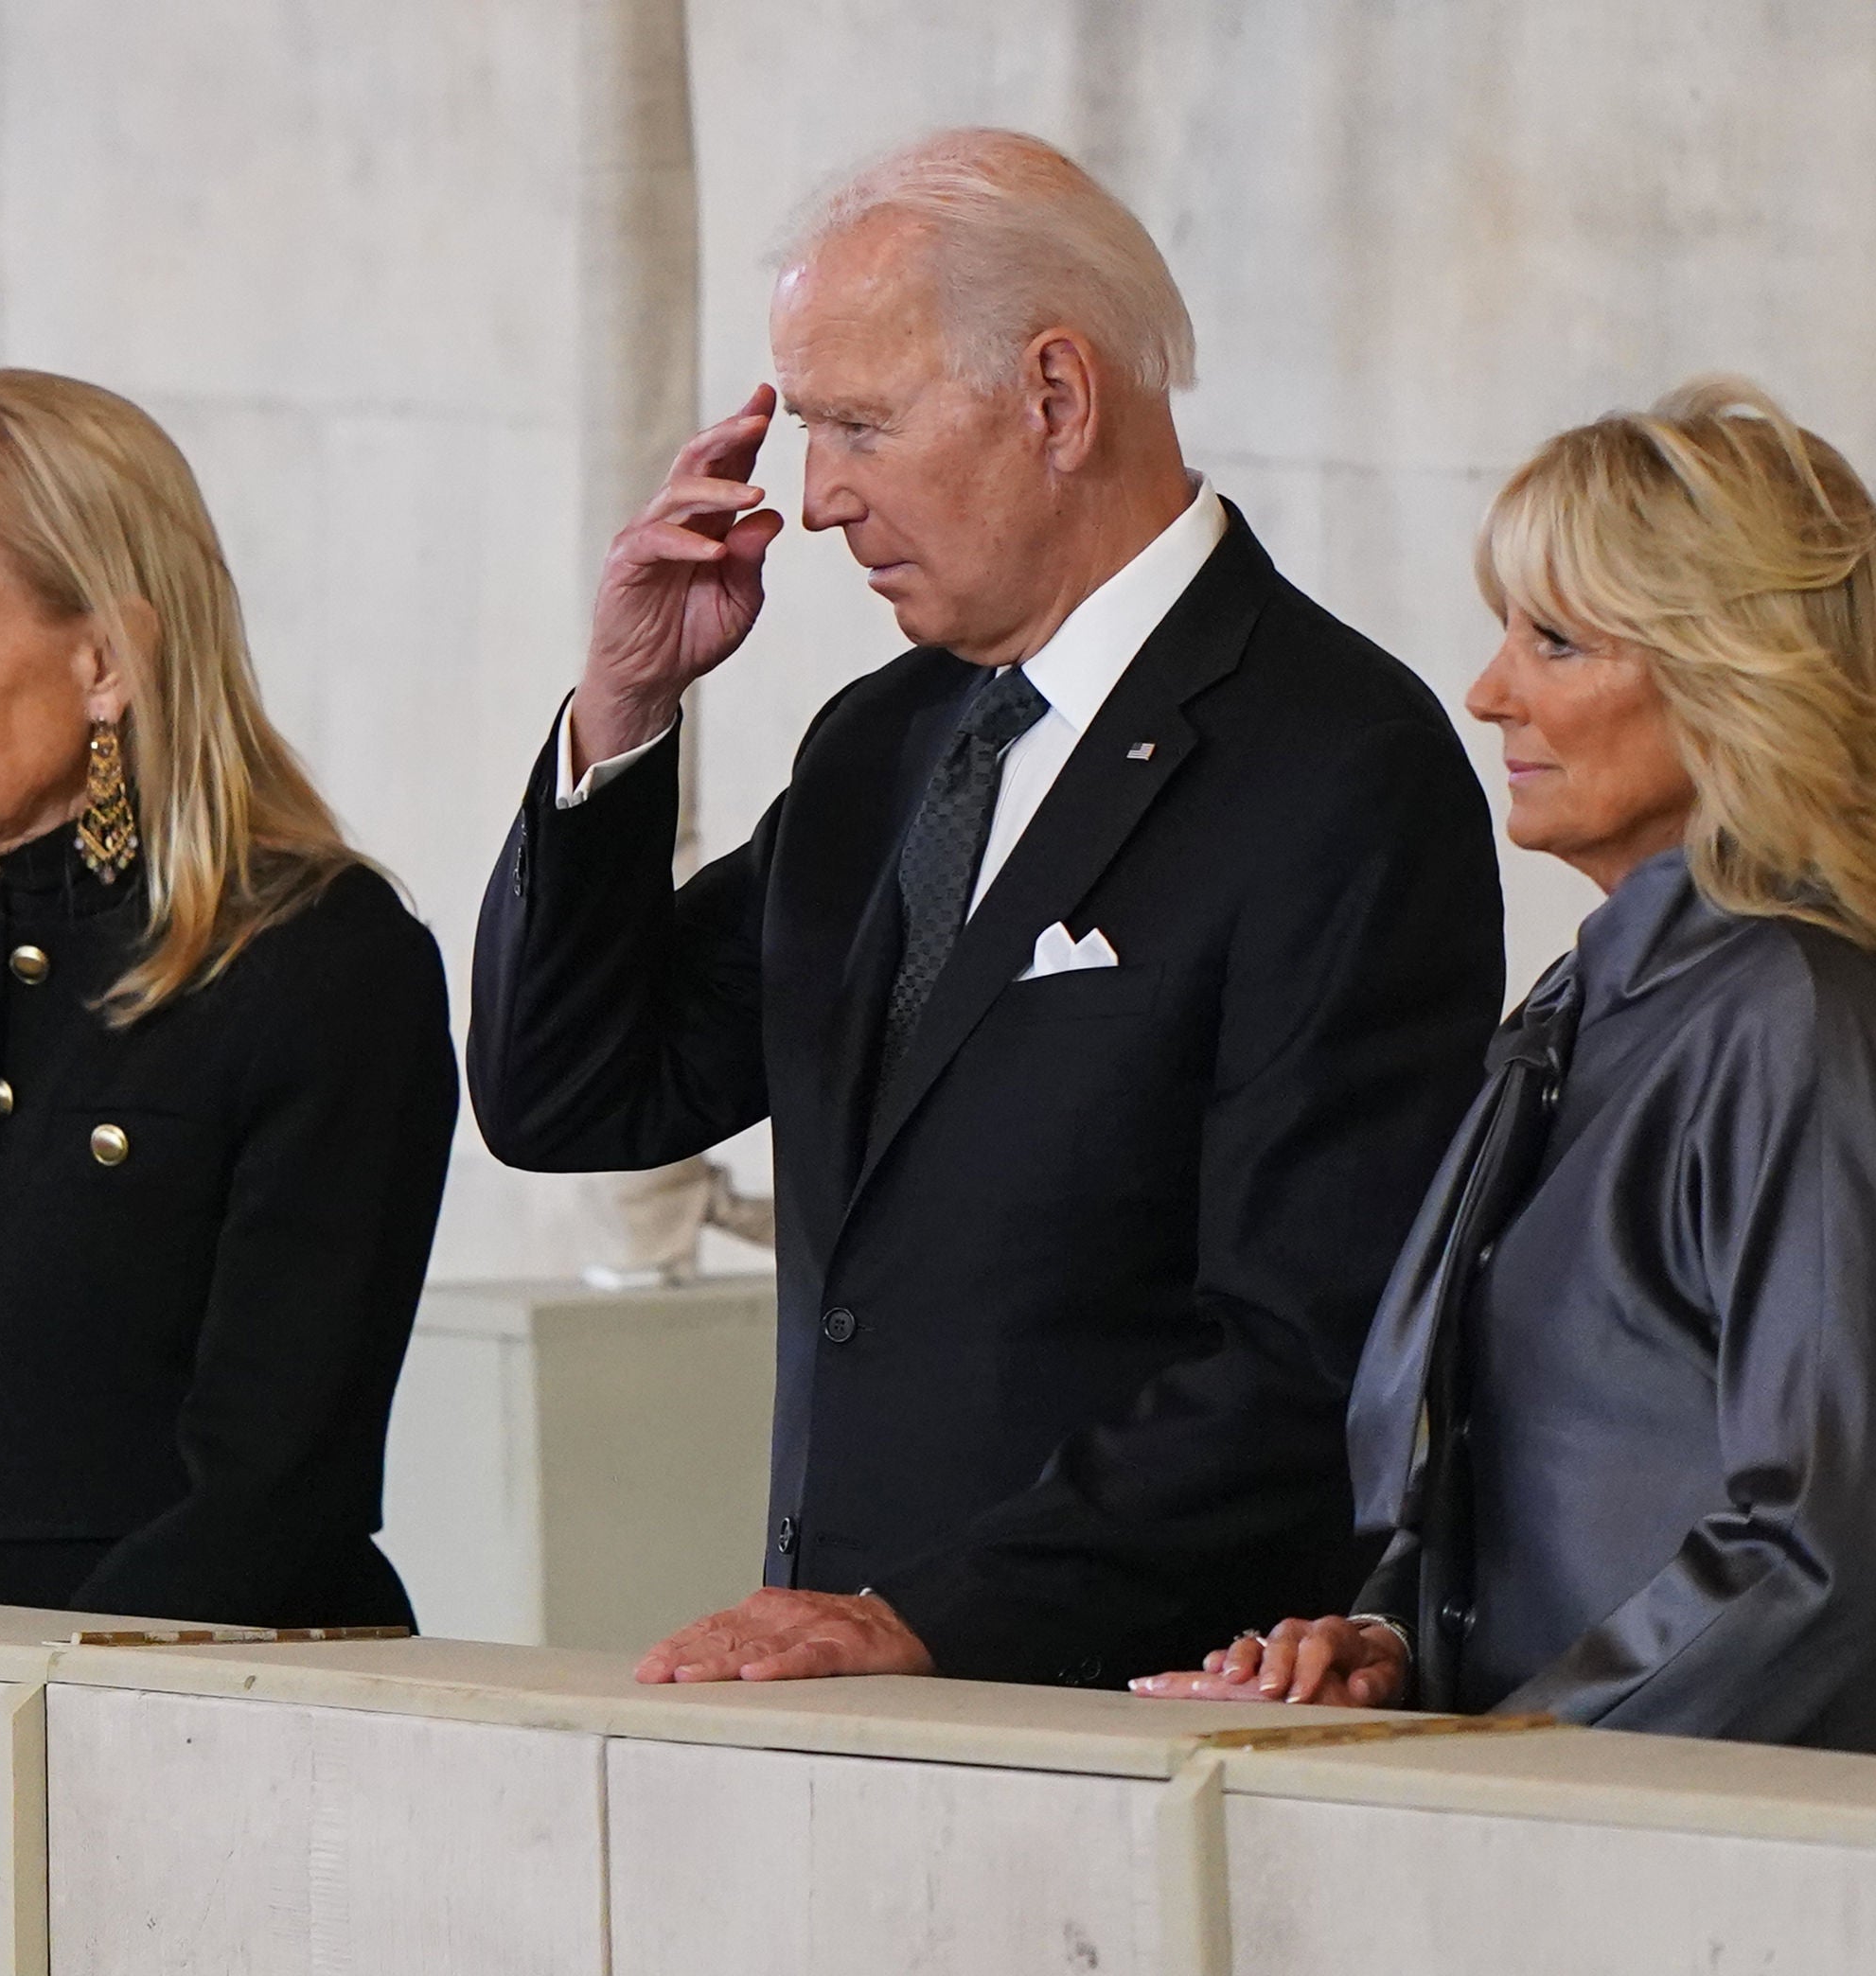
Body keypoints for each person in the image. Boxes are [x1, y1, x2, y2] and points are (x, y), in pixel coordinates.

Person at [469, 130, 1505, 1688]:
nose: (815, 503)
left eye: (861, 426)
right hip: (846, 1697)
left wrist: (932, 1615)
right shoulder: (884, 745)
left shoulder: (1339, 762)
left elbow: (1303, 1353)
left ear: (1056, 399)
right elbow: (575, 1093)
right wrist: (622, 714)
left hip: (1142, 1714)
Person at [1136, 379, 1876, 1760]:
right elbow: (1525, 1493)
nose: (1489, 693)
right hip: (1582, 1842)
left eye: (1556, 641)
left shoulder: (1799, 1021)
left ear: (1732, 675)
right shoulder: (1584, 1005)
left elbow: (1812, 1552)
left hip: (1755, 1876)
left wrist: (1504, 1753)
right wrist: (1390, 1644)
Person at [0, 369, 457, 1628]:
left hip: (210, 1698)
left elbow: (276, 1481)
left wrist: (52, 1706)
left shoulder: (319, 963)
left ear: (103, 660)